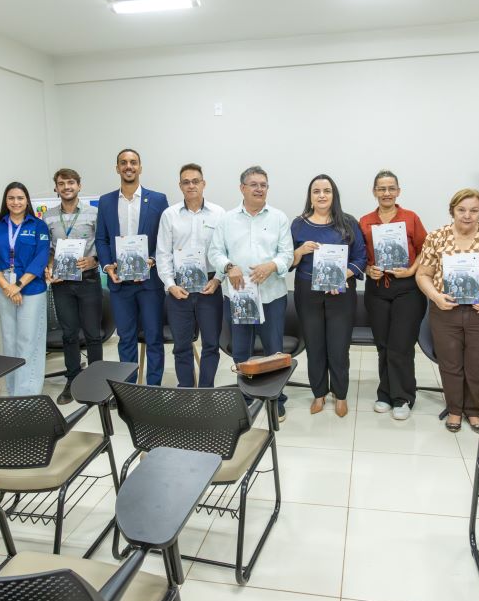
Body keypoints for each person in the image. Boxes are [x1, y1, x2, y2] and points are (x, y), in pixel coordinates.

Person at [416, 189, 479, 432]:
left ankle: (473, 410)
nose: (467, 215)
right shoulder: (436, 237)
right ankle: (454, 409)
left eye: (474, 210)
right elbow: (423, 274)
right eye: (461, 210)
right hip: (445, 310)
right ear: (452, 211)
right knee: (450, 363)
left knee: (478, 364)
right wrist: (435, 296)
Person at [207, 165, 295, 420]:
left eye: (263, 185)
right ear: (242, 188)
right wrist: (228, 266)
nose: (259, 189)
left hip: (271, 296)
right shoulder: (227, 219)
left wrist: (271, 266)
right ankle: (245, 398)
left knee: (274, 351)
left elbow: (287, 255)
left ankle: (276, 399)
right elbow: (215, 252)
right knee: (241, 349)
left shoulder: (278, 218)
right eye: (254, 184)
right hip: (238, 296)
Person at [291, 175, 367, 417]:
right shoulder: (298, 224)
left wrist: (341, 276)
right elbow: (287, 260)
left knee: (338, 347)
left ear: (334, 195)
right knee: (314, 346)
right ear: (310, 196)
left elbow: (361, 258)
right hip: (307, 293)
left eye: (327, 191)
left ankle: (340, 395)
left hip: (340, 293)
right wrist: (300, 251)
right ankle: (319, 393)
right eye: (316, 191)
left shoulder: (348, 222)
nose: (322, 195)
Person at [95, 149, 170, 385]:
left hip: (149, 283)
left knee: (154, 338)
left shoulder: (158, 199)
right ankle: (128, 388)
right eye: (124, 162)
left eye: (133, 162)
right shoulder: (106, 201)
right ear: (117, 168)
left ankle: (153, 387)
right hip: (120, 284)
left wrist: (152, 260)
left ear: (140, 167)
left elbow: (164, 238)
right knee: (125, 339)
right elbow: (101, 239)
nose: (129, 166)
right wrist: (107, 267)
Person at [360, 170, 428, 420]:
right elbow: (360, 255)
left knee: (401, 345)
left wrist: (411, 270)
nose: (386, 193)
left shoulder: (410, 218)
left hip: (407, 289)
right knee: (384, 345)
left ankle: (403, 397)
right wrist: (368, 269)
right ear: (374, 192)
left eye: (391, 188)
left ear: (398, 191)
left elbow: (426, 249)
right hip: (377, 289)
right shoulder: (365, 221)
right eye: (381, 188)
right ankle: (385, 394)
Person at [155, 163, 226, 387]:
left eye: (195, 181)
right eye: (186, 182)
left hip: (210, 286)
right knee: (181, 346)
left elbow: (225, 252)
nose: (191, 185)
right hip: (179, 289)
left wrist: (218, 280)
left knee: (211, 344)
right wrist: (170, 285)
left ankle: (205, 391)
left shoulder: (219, 214)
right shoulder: (169, 215)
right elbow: (163, 253)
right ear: (180, 186)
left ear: (204, 184)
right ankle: (186, 390)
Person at [0, 182, 50, 396]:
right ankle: (14, 391)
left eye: (20, 198)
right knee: (10, 340)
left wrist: (18, 285)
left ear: (27, 200)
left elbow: (41, 258)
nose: (16, 202)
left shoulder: (38, 226)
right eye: (11, 198)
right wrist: (7, 286)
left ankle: (28, 392)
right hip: (4, 286)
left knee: (28, 340)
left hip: (31, 287)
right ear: (6, 201)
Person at [44, 168, 103, 404]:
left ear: (79, 186)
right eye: (61, 183)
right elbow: (48, 250)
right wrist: (49, 266)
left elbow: (103, 244)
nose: (66, 187)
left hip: (88, 279)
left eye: (71, 183)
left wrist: (94, 260)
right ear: (56, 188)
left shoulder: (94, 213)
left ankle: (97, 381)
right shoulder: (48, 216)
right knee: (69, 334)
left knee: (93, 334)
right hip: (62, 283)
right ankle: (73, 379)